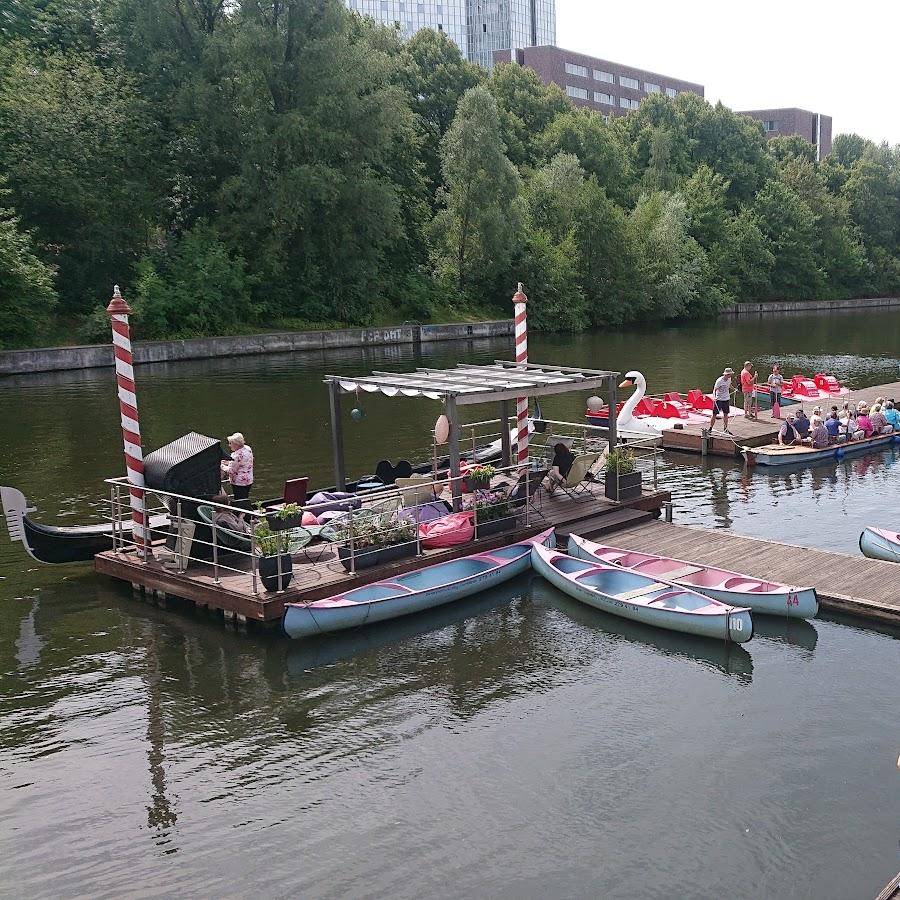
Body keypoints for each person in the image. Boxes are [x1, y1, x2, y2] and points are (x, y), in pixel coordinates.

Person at [221, 432, 254, 500]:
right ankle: (245, 508)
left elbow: (231, 470)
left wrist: (221, 465)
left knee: (239, 499)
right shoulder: (247, 449)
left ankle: (242, 510)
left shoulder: (236, 455)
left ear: (236, 444)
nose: (229, 445)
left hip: (239, 482)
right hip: (248, 480)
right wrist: (228, 462)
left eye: (231, 443)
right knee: (244, 497)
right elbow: (242, 463)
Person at [709, 367, 734, 434]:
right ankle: (710, 428)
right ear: (726, 374)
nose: (730, 376)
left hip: (726, 399)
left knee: (726, 414)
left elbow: (729, 385)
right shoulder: (719, 381)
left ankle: (725, 429)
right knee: (714, 414)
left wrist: (733, 389)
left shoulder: (729, 379)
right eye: (729, 374)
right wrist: (714, 397)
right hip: (719, 399)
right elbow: (715, 389)